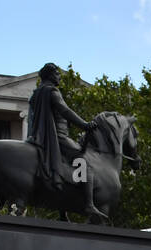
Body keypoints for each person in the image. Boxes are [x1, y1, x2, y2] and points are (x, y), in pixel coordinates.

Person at [26, 62, 103, 218]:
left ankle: (63, 210)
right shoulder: (52, 91)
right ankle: (88, 205)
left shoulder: (36, 94)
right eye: (57, 74)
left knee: (65, 168)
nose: (59, 76)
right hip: (58, 137)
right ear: (50, 75)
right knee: (84, 163)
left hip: (39, 137)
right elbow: (66, 111)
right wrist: (85, 125)